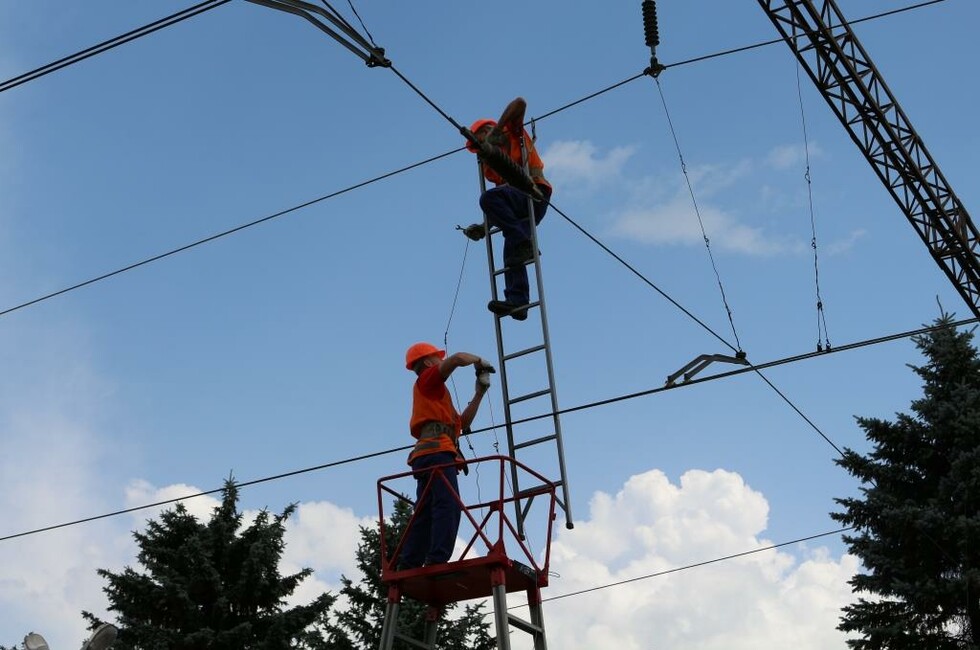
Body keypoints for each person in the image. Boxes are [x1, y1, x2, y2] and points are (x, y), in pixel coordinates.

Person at [399, 342, 495, 569]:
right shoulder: (427, 380)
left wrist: (479, 394)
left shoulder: (436, 396)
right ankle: (437, 559)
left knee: (425, 511)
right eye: (437, 358)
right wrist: (479, 361)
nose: (441, 361)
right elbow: (457, 359)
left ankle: (410, 562)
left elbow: (462, 423)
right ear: (427, 362)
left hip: (430, 454)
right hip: (437, 453)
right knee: (448, 505)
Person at [465, 96, 553, 321]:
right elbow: (503, 202)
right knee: (512, 248)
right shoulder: (490, 166)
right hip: (518, 201)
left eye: (480, 140)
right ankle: (518, 301)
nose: (480, 148)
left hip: (536, 194)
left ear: (488, 130)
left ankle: (523, 242)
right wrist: (484, 227)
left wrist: (499, 130)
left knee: (488, 200)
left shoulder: (513, 133)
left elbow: (520, 103)